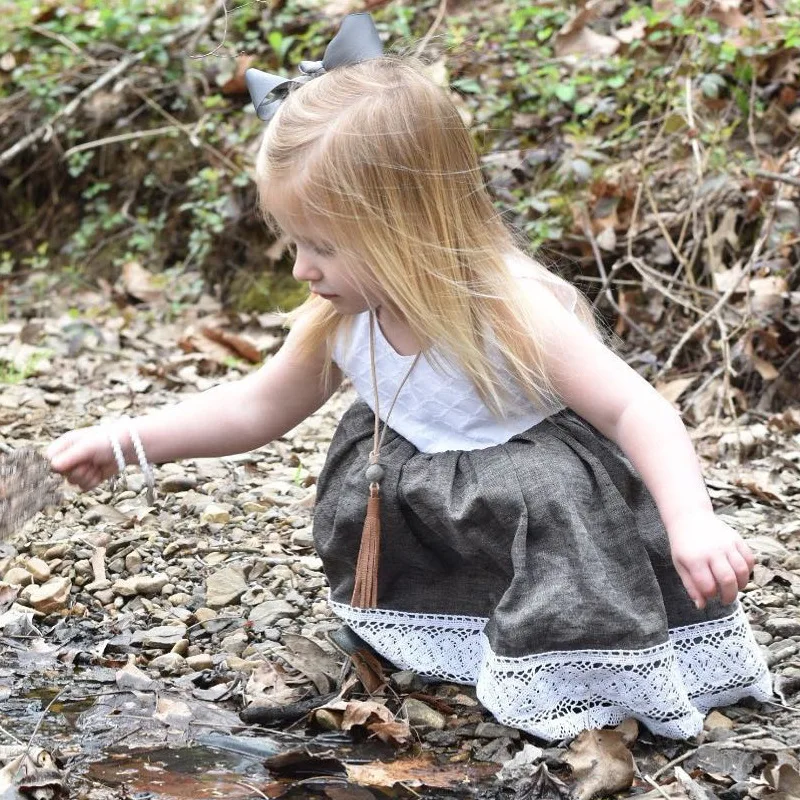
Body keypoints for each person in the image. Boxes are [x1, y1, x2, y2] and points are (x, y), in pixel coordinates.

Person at [48, 13, 771, 742]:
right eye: (294, 243)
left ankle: (568, 665)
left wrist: (691, 520)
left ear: (408, 228)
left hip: (543, 518)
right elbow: (257, 406)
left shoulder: (510, 307)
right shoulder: (341, 315)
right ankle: (439, 630)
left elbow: (632, 409)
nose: (302, 270)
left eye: (322, 246)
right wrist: (129, 442)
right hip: (437, 509)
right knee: (384, 487)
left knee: (550, 539)